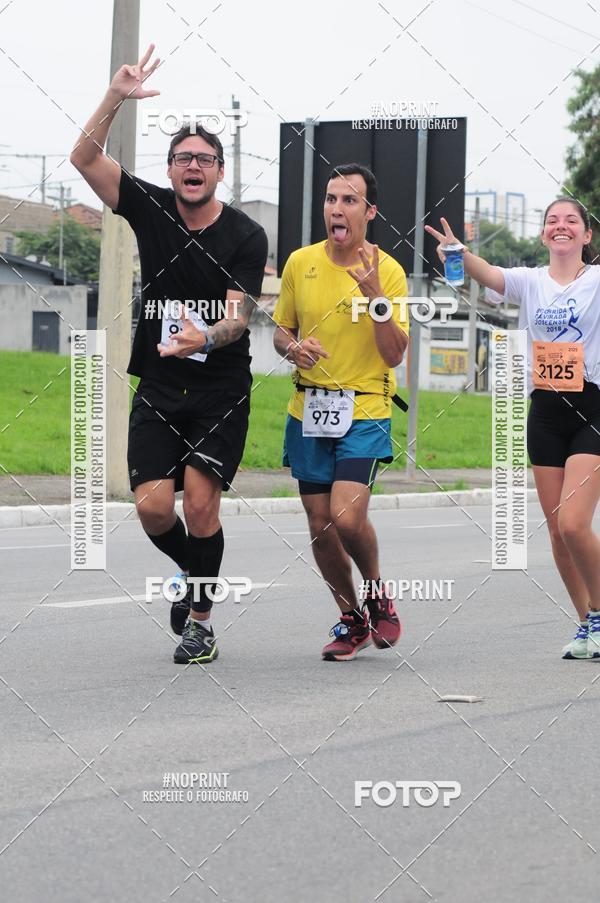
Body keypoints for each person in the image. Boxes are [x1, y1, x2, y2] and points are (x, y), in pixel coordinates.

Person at [70, 45, 268, 664]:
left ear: (219, 171)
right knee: (154, 508)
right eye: (182, 158)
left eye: (204, 160)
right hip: (158, 384)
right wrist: (115, 96)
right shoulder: (150, 207)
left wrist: (202, 338)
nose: (192, 167)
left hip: (220, 389)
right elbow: (83, 158)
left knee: (203, 502)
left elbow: (238, 316)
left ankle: (201, 620)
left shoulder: (244, 233)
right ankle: (196, 574)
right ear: (170, 168)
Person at [426, 199, 600, 659]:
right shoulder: (531, 281)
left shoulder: (598, 281)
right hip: (544, 410)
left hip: (592, 409)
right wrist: (458, 252)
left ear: (586, 235)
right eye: (552, 220)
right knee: (557, 532)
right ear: (545, 234)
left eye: (571, 222)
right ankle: (586, 626)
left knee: (574, 522)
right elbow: (489, 274)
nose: (560, 226)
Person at [273, 163, 409, 661]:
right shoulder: (299, 263)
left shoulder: (388, 271)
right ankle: (351, 617)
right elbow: (280, 331)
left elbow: (395, 354)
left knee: (346, 517)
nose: (337, 208)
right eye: (331, 199)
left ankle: (376, 594)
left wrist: (376, 300)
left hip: (366, 409)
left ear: (369, 212)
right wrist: (294, 349)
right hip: (308, 408)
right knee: (319, 525)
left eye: (349, 200)